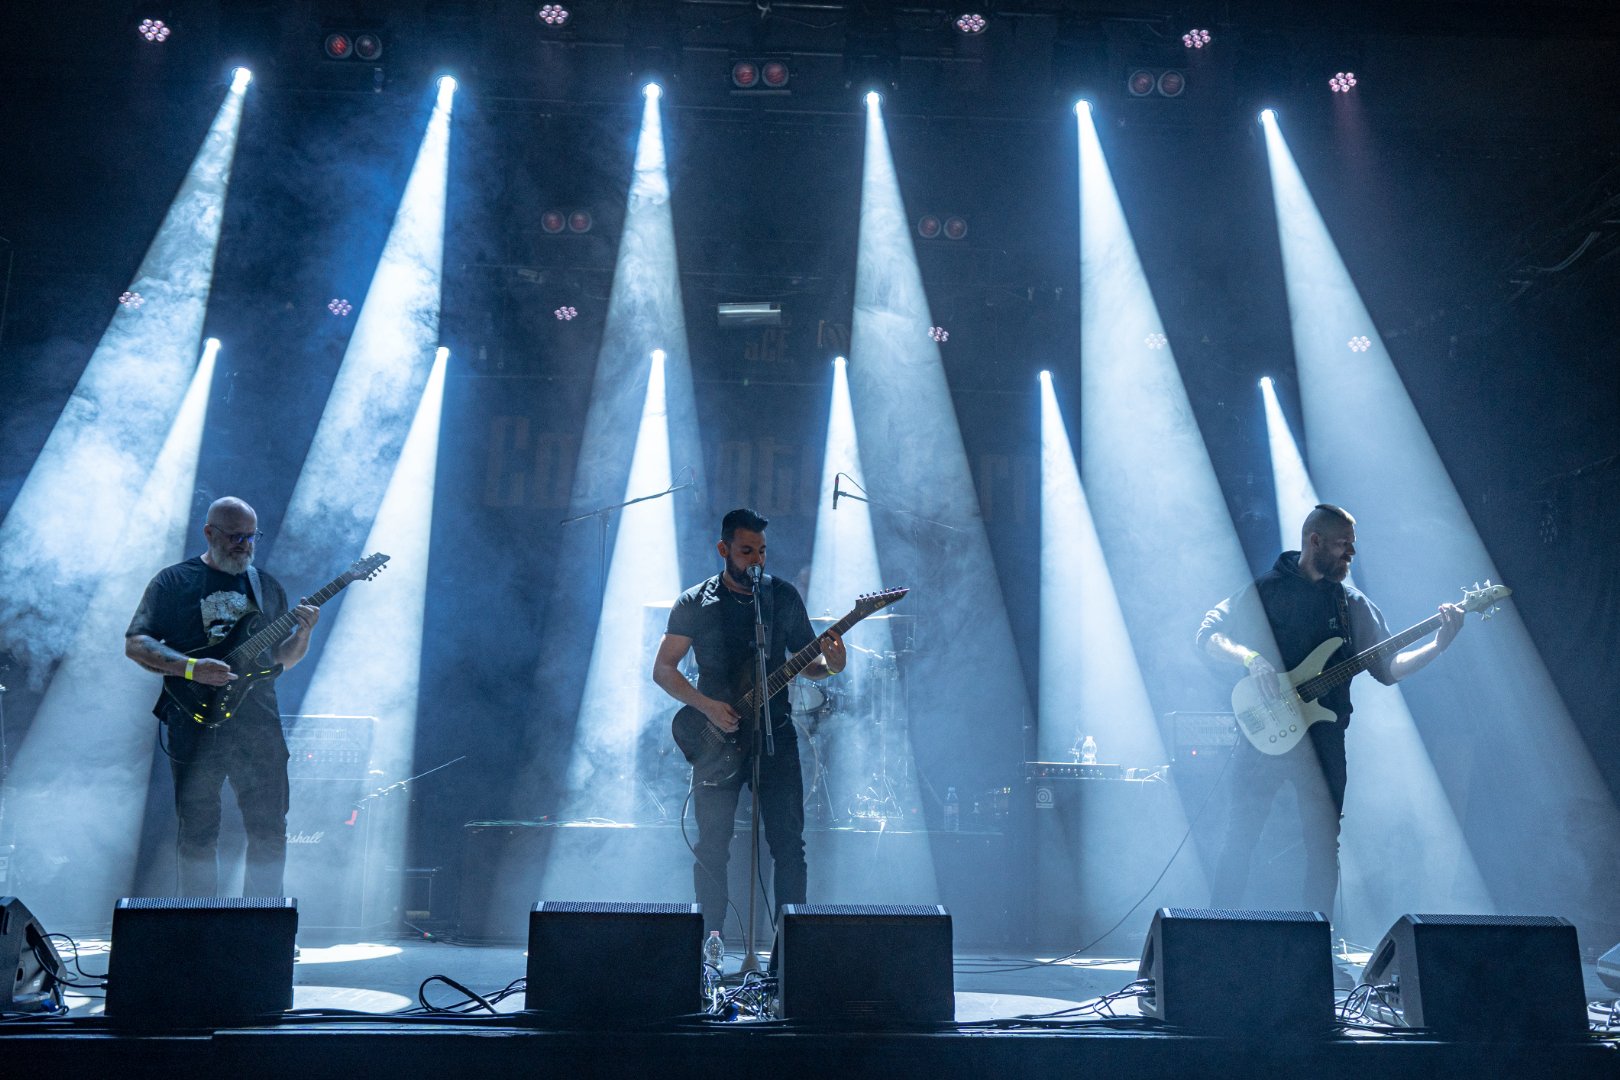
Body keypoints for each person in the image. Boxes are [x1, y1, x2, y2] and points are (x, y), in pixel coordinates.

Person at [1197, 503, 1464, 916]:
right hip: (1263, 731)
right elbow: (1208, 634)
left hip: (1324, 739)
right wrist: (1250, 658)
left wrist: (1437, 645)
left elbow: (1389, 669)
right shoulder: (1266, 590)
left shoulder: (1351, 604)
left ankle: (1318, 935)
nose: (1351, 554)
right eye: (1343, 544)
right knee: (1240, 837)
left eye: (1352, 545)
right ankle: (1215, 927)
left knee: (1323, 845)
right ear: (1315, 541)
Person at [652, 508, 846, 941]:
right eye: (746, 551)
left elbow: (808, 663)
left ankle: (789, 948)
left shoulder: (783, 597)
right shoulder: (694, 602)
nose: (756, 560)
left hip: (775, 734)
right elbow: (663, 669)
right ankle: (711, 943)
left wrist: (831, 665)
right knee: (712, 846)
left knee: (789, 846)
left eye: (761, 551)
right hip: (716, 739)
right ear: (723, 549)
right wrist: (707, 706)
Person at [125, 497, 319, 896]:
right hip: (194, 721)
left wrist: (304, 633)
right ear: (209, 533)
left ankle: (262, 921)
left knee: (270, 830)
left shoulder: (266, 587)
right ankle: (199, 923)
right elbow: (137, 643)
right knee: (197, 831)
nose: (244, 545)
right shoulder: (173, 582)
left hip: (258, 723)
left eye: (251, 536)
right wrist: (191, 668)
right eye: (234, 537)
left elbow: (280, 660)